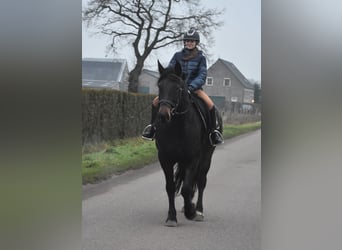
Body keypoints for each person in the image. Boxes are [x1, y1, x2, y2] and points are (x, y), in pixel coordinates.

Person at [142, 28, 224, 146]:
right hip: (176, 89)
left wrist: (191, 87)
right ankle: (152, 128)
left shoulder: (201, 58)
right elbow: (170, 70)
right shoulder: (177, 56)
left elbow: (202, 75)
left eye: (192, 41)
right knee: (155, 102)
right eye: (187, 41)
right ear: (184, 42)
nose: (189, 43)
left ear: (196, 43)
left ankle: (213, 133)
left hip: (194, 89)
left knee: (210, 105)